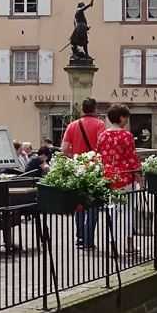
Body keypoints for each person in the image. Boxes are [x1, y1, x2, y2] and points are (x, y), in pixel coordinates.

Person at [97, 104, 143, 259]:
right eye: (126, 118)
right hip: (125, 178)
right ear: (122, 117)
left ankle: (113, 243)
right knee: (128, 212)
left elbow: (100, 157)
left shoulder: (103, 136)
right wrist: (139, 178)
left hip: (109, 179)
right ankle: (129, 244)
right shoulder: (126, 136)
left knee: (113, 212)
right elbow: (132, 158)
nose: (127, 121)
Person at [62, 97, 107, 248]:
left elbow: (64, 149)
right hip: (94, 169)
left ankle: (80, 237)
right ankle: (89, 239)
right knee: (93, 205)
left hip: (77, 169)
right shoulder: (100, 125)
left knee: (79, 205)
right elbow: (103, 147)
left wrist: (75, 157)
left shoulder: (72, 125)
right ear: (95, 109)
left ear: (82, 109)